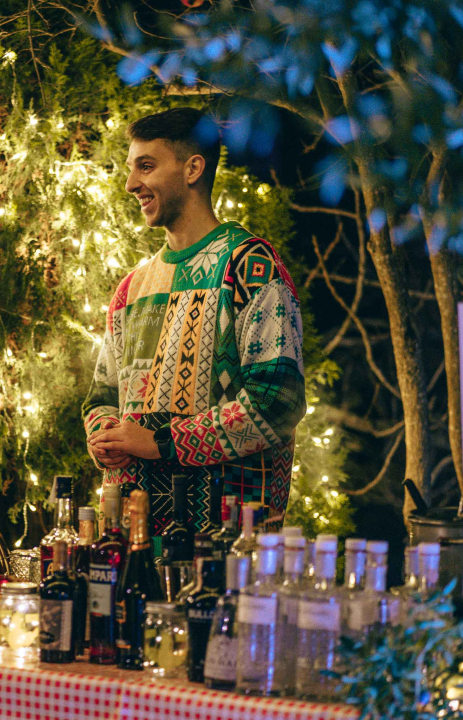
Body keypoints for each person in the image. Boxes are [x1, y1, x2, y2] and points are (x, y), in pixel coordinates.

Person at [83, 108, 306, 534]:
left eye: (146, 167)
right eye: (131, 169)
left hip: (229, 544)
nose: (131, 184)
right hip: (136, 540)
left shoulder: (248, 264)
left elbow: (279, 400)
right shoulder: (131, 289)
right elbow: (101, 398)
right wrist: (106, 437)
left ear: (193, 168)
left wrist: (161, 443)